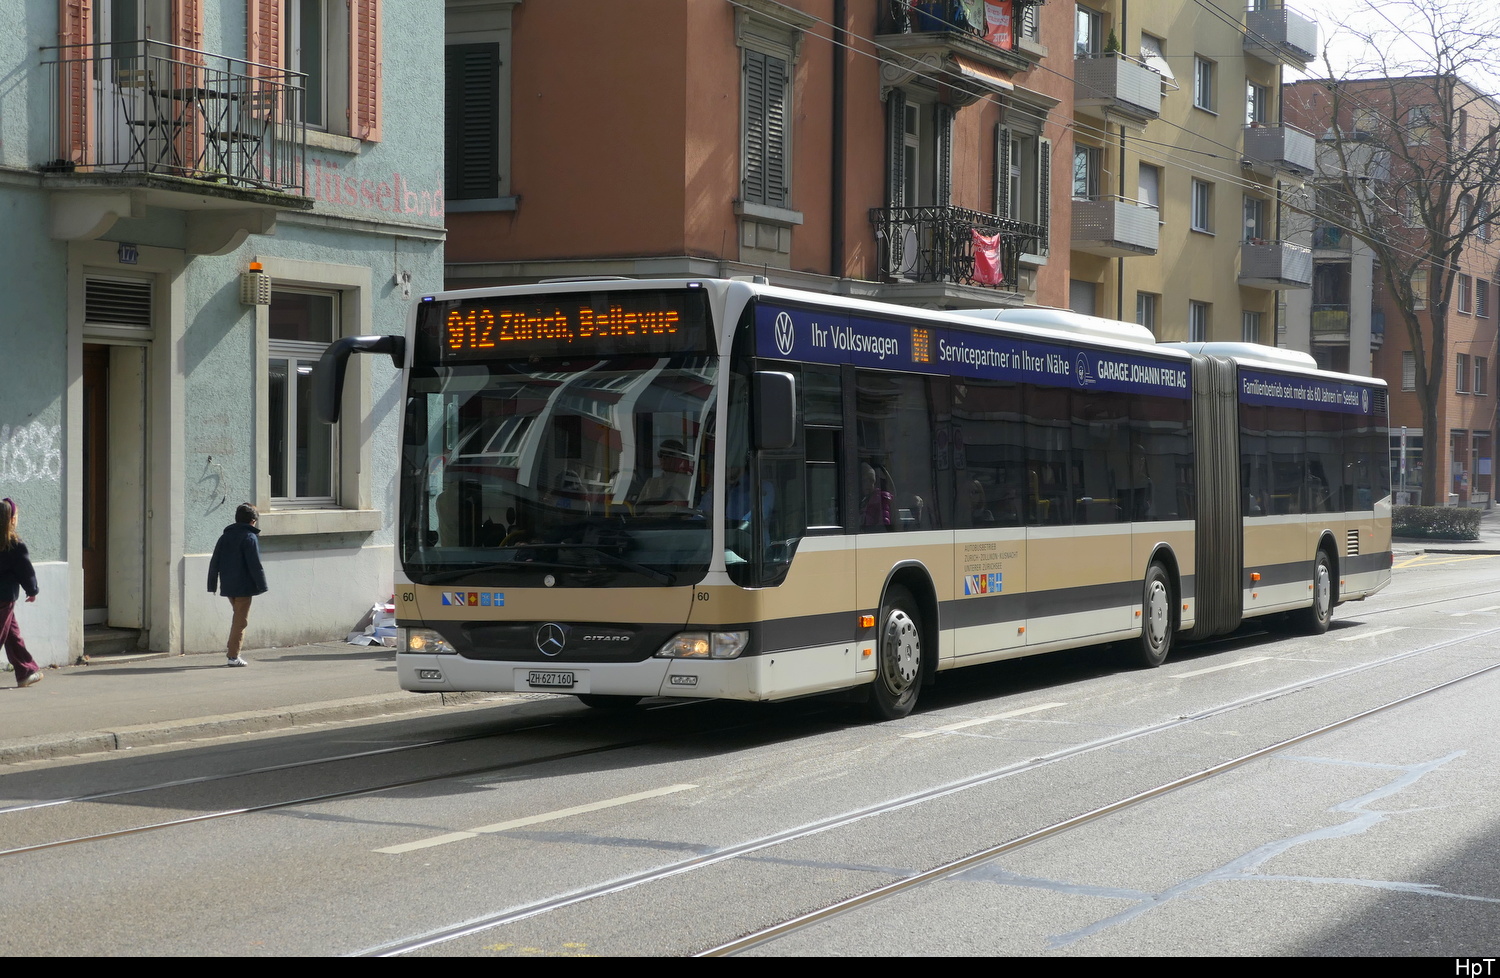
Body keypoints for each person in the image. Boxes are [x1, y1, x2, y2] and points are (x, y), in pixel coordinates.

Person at [207, 503, 268, 667]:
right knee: (241, 622)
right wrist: (262, 585)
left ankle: (232, 649)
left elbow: (215, 561)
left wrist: (212, 584)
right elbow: (255, 564)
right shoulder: (249, 537)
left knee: (237, 618)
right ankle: (233, 656)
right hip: (244, 586)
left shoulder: (225, 536)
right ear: (252, 521)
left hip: (228, 585)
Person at [0, 498, 43, 687]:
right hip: (4, 598)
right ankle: (26, 671)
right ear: (11, 520)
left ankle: (26, 671)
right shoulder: (14, 545)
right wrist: (32, 590)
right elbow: (26, 571)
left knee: (12, 635)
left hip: (5, 599)